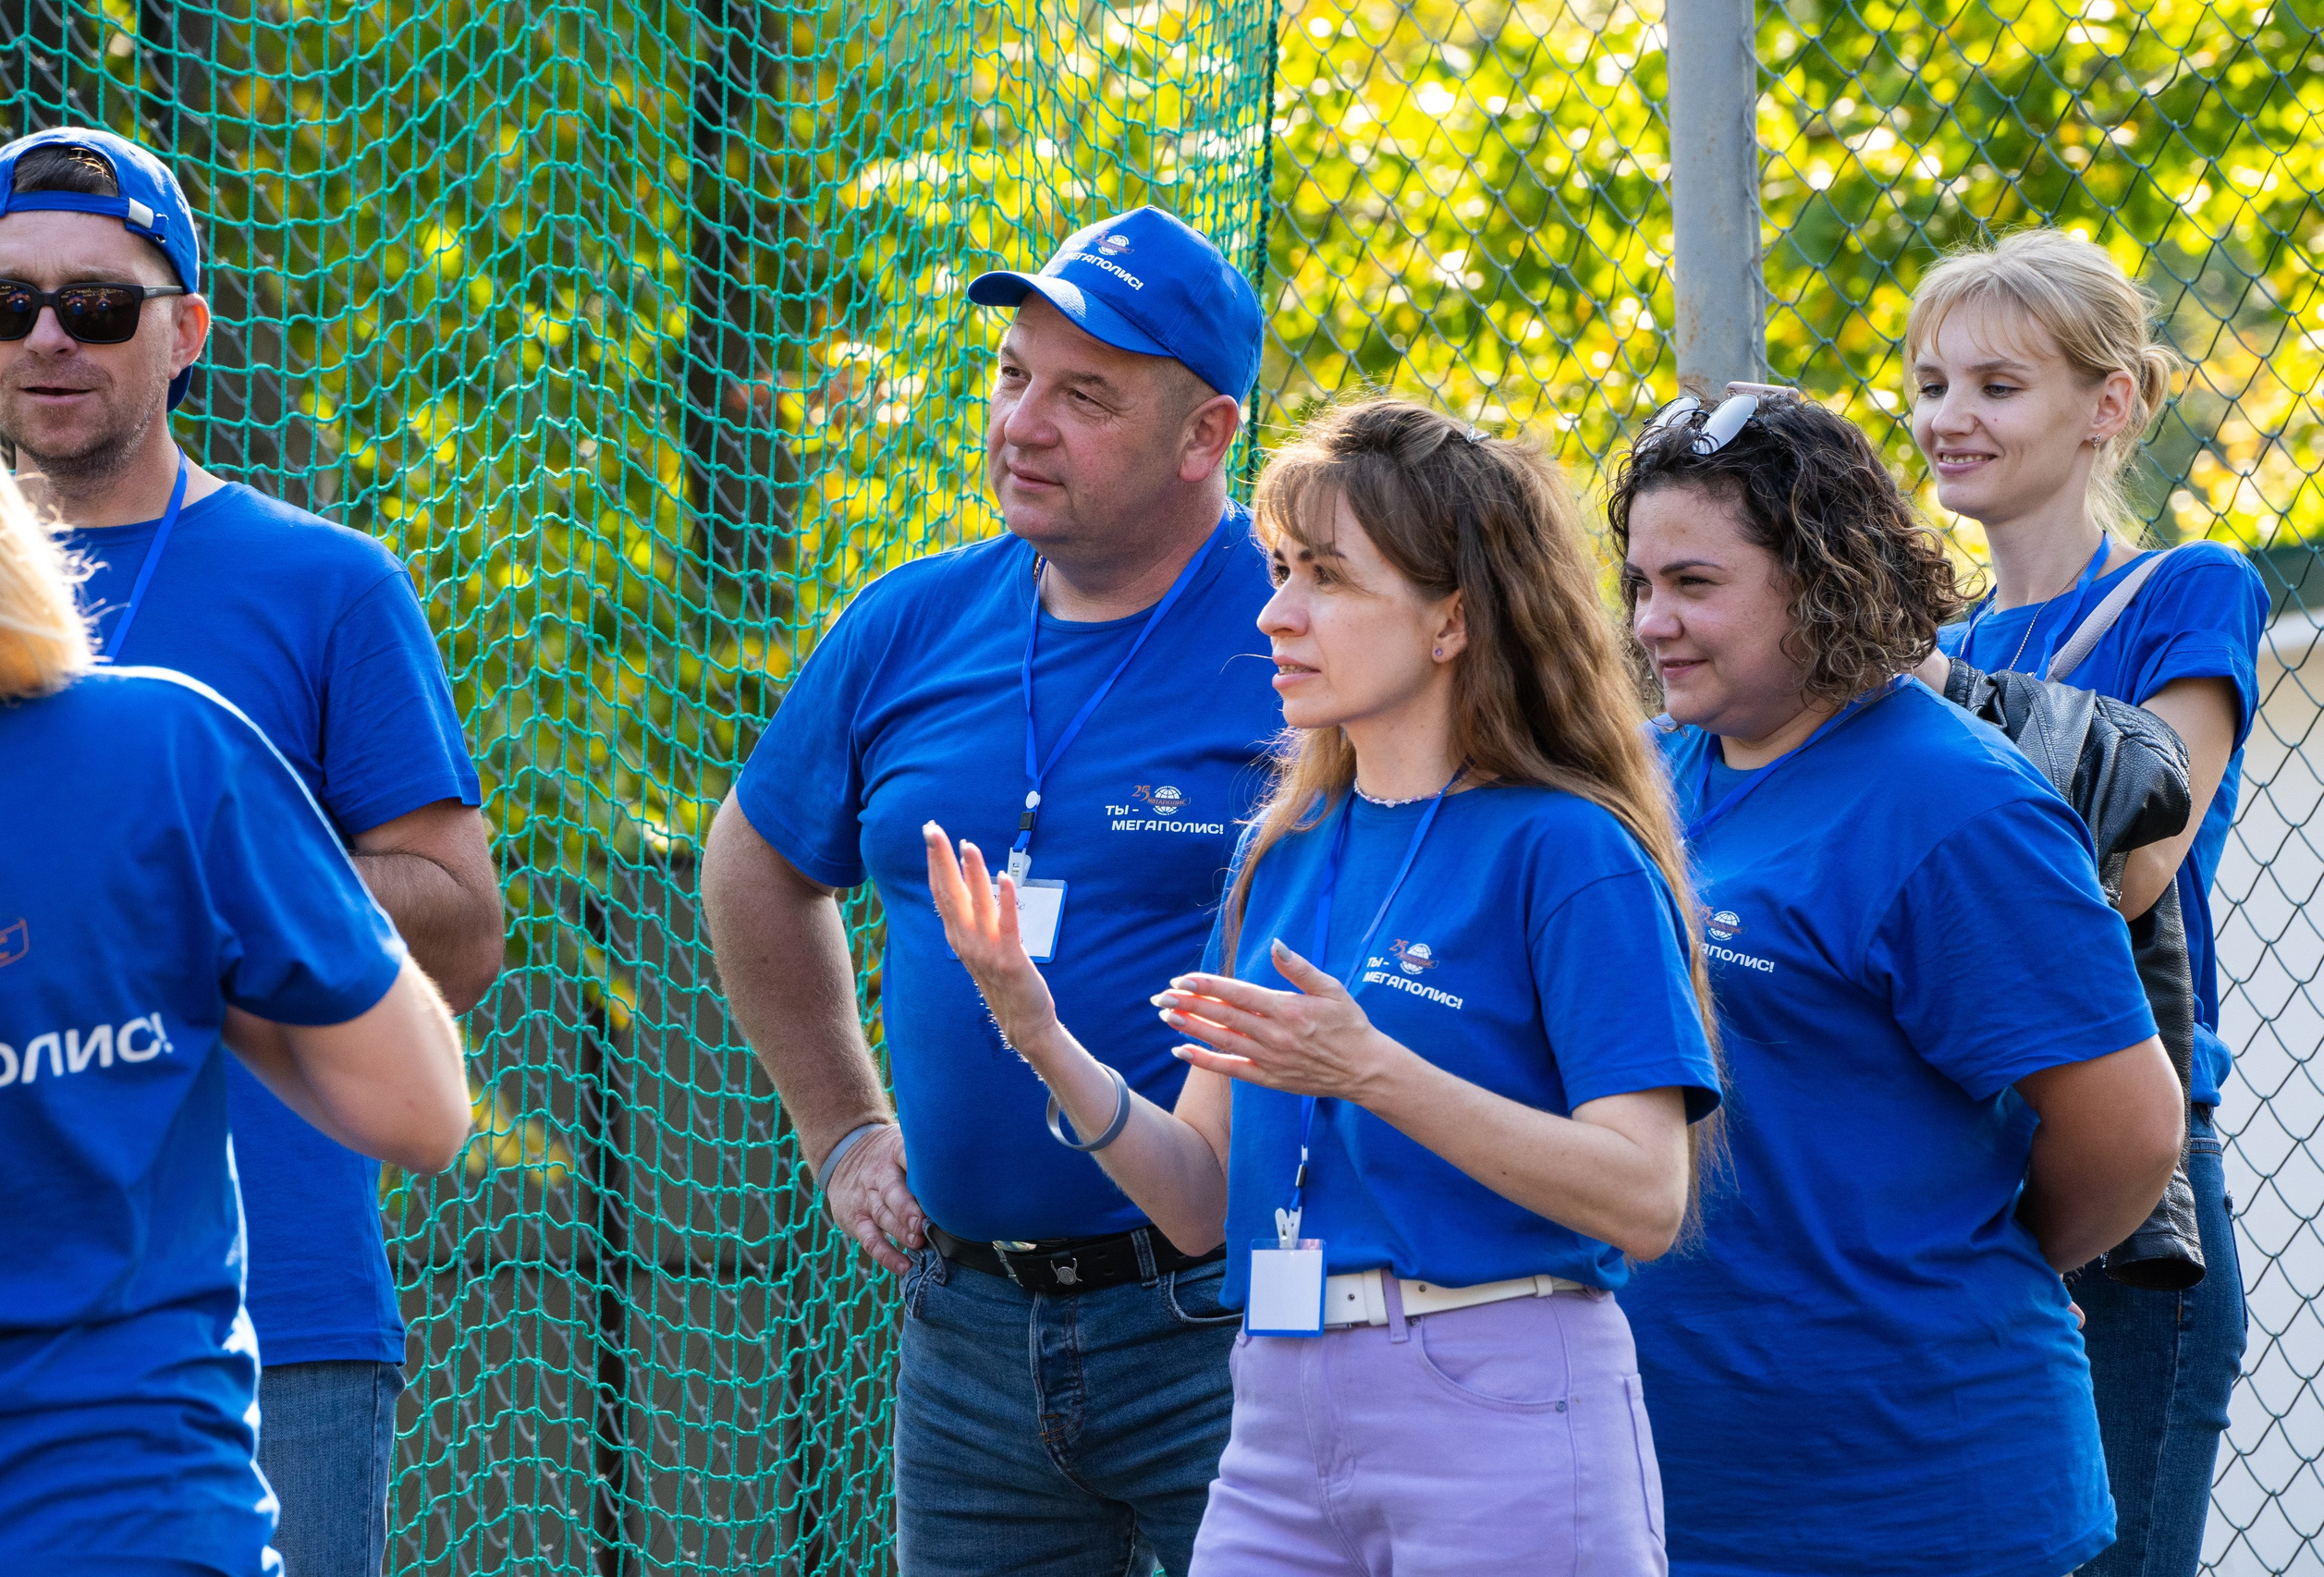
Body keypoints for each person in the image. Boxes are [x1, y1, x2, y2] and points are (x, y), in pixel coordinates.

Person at [925, 397, 1723, 1574]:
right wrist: (1038, 1031)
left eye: (1327, 577)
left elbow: (1646, 1196)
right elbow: (1198, 1201)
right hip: (1276, 1406)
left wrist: (1371, 1071)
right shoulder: (1282, 851)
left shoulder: (1568, 848)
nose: (1275, 613)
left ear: (1452, 618)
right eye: (1280, 569)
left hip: (1495, 1393)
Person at [700, 206, 1278, 1574]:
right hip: (965, 1327)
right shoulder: (911, 620)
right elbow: (756, 863)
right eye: (1015, 374)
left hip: (1228, 1317)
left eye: (1086, 395)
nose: (1023, 422)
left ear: (1206, 435)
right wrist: (843, 1127)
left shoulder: (1298, 625)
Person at [0, 127, 502, 1577]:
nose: (48, 338)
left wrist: (182, 892)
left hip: (273, 1313)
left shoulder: (326, 582)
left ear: (187, 329)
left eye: (98, 303)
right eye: (6, 303)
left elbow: (462, 928)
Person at [1608, 390, 2185, 1576]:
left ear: (1819, 576)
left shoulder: (1952, 803)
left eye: (1694, 583)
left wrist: (1983, 1257)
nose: (1652, 621)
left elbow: (2128, 1131)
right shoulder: (1647, 773)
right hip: (1676, 1478)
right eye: (1639, 583)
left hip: (1908, 1492)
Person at [1906, 229, 2267, 1577]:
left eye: (1997, 386)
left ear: (2107, 403)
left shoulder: (2187, 589)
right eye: (1931, 384)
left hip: (2123, 1160)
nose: (1949, 417)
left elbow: (2141, 857)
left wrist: (1931, 697)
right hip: (1946, 1154)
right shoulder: (1934, 638)